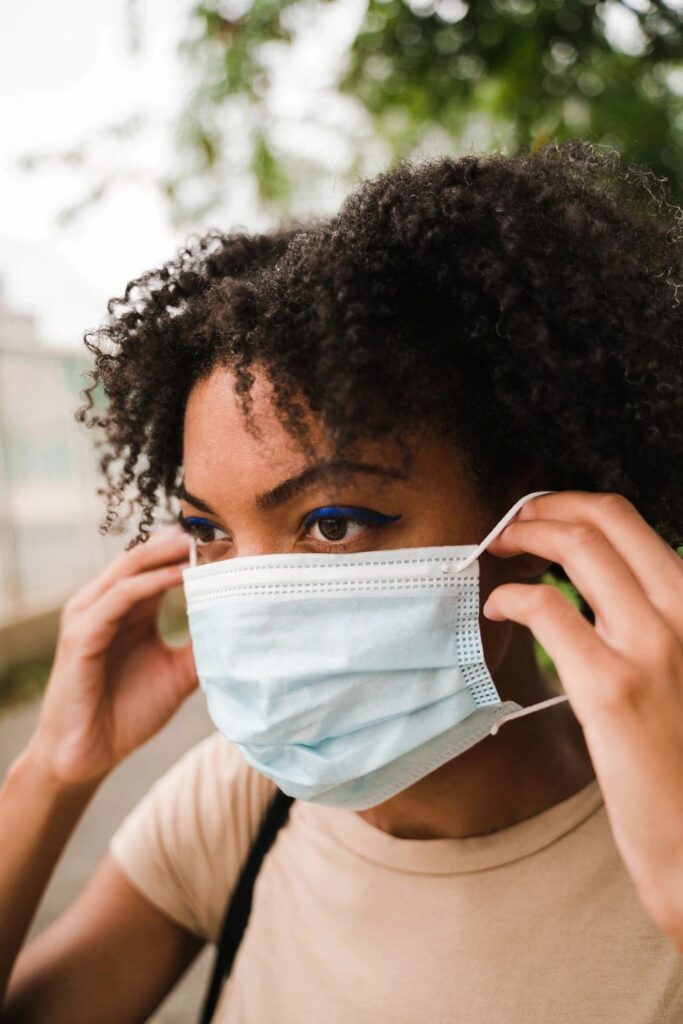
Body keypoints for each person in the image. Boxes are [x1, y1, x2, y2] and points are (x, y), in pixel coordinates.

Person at [1, 139, 682, 1023]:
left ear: (526, 527)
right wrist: (53, 769)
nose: (248, 596)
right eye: (208, 530)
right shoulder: (239, 808)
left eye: (330, 522)